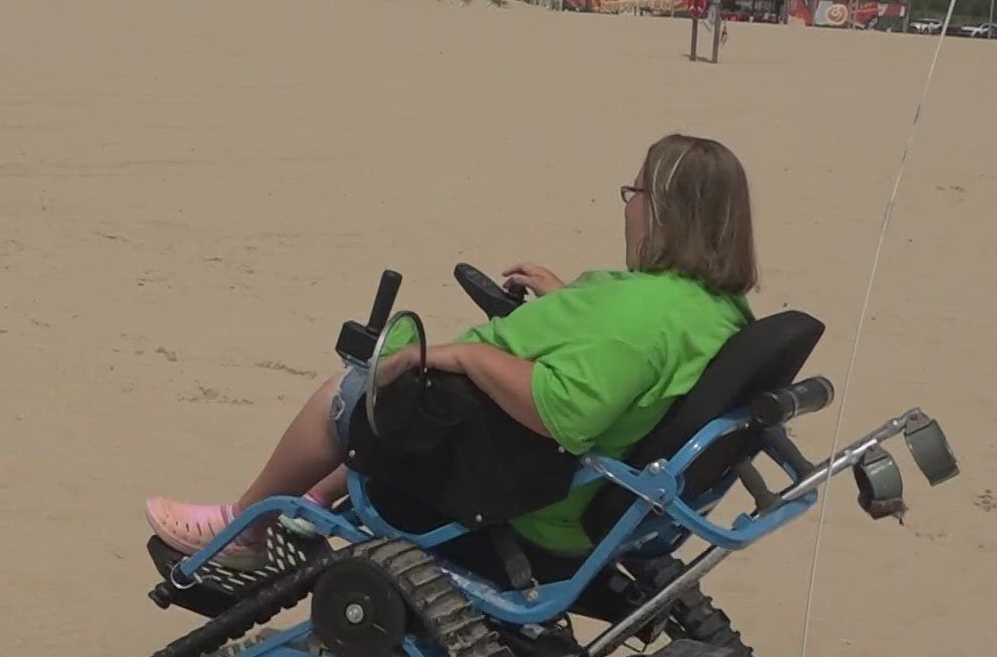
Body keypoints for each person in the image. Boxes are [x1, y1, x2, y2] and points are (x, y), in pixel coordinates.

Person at [144, 134, 759, 567]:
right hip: (598, 494)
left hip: (528, 501)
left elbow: (563, 413)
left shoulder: (638, 316)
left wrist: (464, 357)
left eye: (637, 191)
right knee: (401, 401)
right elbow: (632, 361)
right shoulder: (710, 309)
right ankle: (316, 496)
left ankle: (246, 526)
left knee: (350, 393)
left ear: (666, 212)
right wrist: (570, 301)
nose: (629, 204)